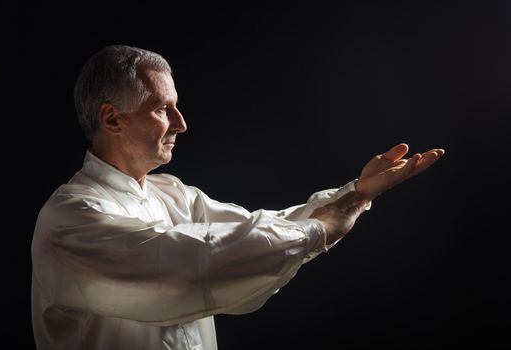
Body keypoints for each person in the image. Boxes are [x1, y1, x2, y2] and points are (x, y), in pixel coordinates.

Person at [31, 44, 445, 350]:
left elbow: (253, 232)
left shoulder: (171, 194)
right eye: (163, 109)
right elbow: (190, 265)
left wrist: (354, 195)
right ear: (112, 118)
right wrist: (318, 229)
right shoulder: (70, 216)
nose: (182, 123)